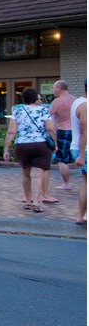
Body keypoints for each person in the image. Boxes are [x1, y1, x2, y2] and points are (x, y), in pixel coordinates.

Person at [2, 87, 56, 214]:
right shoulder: (43, 111)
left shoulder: (18, 112)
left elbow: (11, 131)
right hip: (40, 145)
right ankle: (36, 202)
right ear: (36, 98)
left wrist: (6, 149)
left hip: (22, 145)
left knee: (26, 175)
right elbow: (50, 128)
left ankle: (27, 201)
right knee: (37, 175)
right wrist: (56, 143)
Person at [47, 80, 75, 196]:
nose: (53, 90)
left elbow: (48, 115)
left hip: (63, 130)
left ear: (58, 88)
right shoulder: (75, 99)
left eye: (54, 88)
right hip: (76, 132)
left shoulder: (57, 102)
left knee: (62, 158)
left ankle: (66, 183)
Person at [72, 84, 86, 225]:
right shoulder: (85, 105)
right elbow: (84, 131)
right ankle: (82, 216)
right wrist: (81, 155)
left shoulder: (78, 101)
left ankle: (82, 216)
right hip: (85, 149)